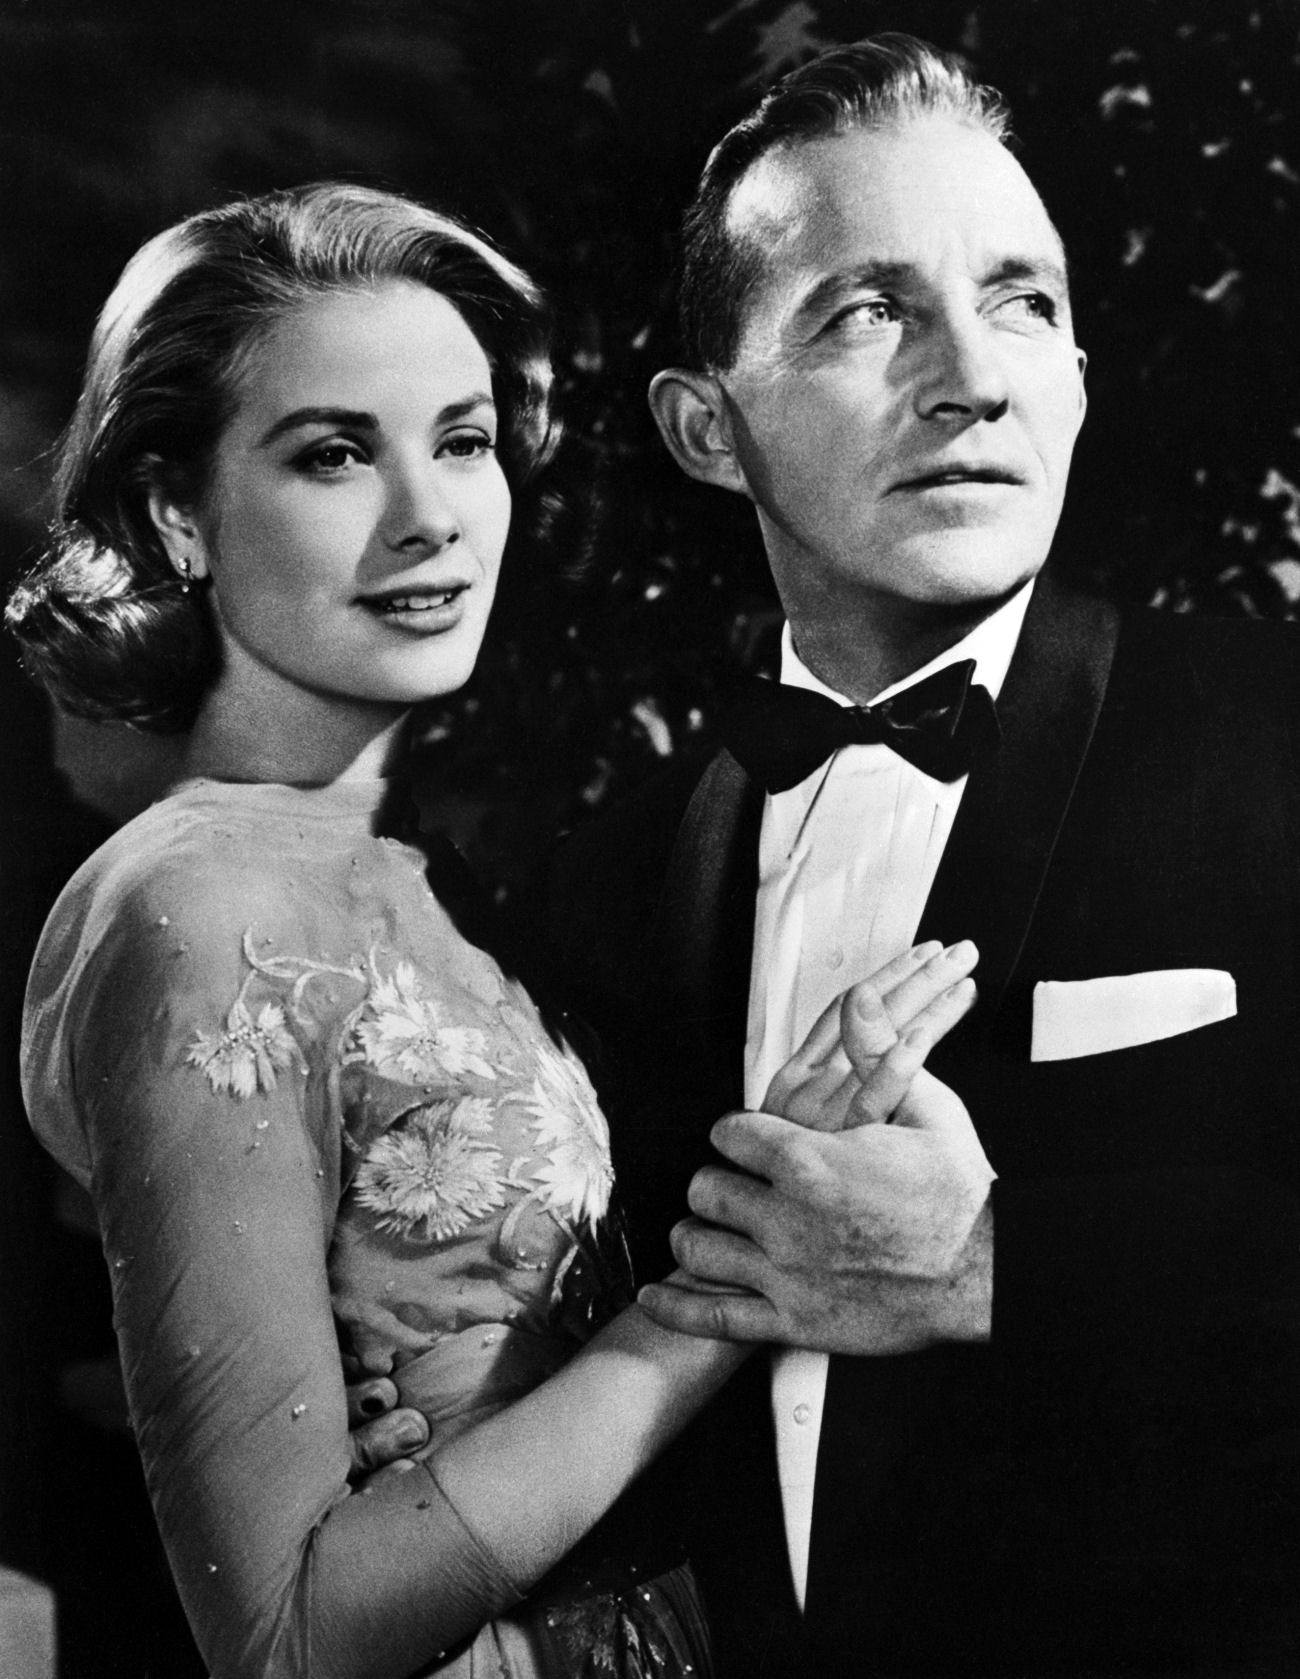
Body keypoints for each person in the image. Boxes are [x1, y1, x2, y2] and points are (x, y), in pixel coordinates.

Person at [8, 180, 977, 1679]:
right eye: (335, 454)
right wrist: (727, 1290)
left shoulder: (416, 867)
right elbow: (289, 1639)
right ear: (174, 513)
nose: (430, 518)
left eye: (462, 442)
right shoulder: (202, 909)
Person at [543, 35, 1300, 1679]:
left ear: (1078, 375)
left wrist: (999, 1268)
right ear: (704, 427)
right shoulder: (617, 874)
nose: (974, 376)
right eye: (868, 312)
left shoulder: (1272, 735)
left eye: (1023, 301)